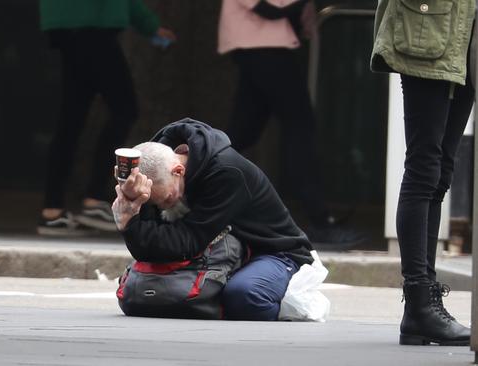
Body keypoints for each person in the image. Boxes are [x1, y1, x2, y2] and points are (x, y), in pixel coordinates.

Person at [112, 118, 314, 320]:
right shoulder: (157, 169)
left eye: (166, 199)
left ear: (178, 171)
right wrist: (134, 202)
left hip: (272, 251)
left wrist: (129, 223)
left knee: (244, 297)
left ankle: (277, 301)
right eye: (154, 203)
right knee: (146, 295)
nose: (163, 206)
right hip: (217, 251)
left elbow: (185, 243)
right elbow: (150, 250)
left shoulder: (226, 172)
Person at [217, 0, 366, 249]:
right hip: (264, 46)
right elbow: (269, 8)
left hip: (260, 45)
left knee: (243, 132)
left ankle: (191, 191)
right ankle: (320, 221)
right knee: (299, 129)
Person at [371, 0, 474, 346]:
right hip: (428, 31)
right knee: (424, 168)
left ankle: (425, 307)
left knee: (442, 169)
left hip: (466, 38)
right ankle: (419, 301)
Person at [37, 0, 176, 235]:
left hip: (72, 26)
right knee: (123, 110)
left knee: (72, 119)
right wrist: (149, 25)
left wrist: (150, 26)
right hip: (92, 30)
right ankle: (93, 198)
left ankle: (53, 208)